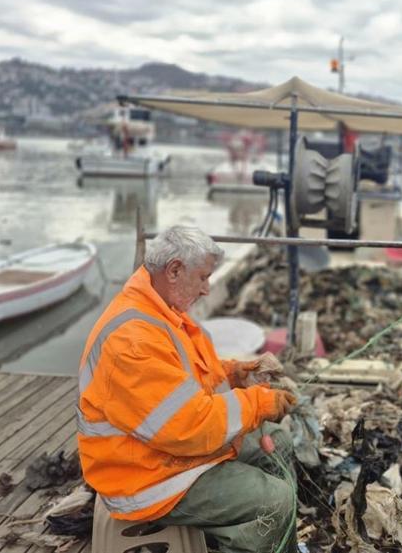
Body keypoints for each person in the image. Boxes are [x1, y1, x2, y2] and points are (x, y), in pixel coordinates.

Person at [77, 225, 298, 553]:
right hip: (145, 477)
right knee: (275, 501)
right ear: (174, 270)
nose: (207, 289)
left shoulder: (159, 309)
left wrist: (235, 373)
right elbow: (188, 426)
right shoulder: (132, 340)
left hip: (166, 454)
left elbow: (182, 378)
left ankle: (276, 542)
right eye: (203, 277)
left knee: (278, 443)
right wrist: (260, 404)